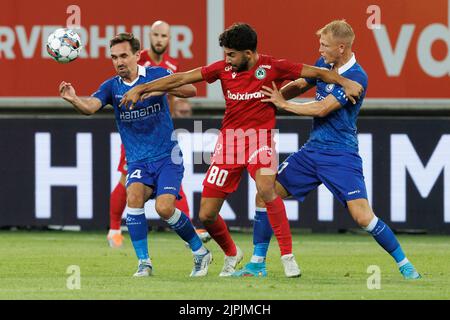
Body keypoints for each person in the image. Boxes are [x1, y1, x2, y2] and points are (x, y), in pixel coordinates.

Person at [120, 23, 363, 277]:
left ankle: (287, 257)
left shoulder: (272, 67)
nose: (227, 59)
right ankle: (232, 253)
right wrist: (141, 87)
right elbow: (181, 78)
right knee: (206, 214)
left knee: (267, 188)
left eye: (231, 54)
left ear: (248, 54)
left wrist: (345, 81)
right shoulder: (223, 69)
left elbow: (318, 73)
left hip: (261, 139)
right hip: (230, 144)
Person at [233, 20, 421, 280]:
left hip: (341, 155)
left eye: (325, 45)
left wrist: (283, 106)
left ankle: (405, 264)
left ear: (341, 48)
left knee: (363, 216)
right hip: (312, 152)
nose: (320, 49)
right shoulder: (324, 65)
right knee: (265, 193)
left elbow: (321, 108)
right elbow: (300, 84)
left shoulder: (357, 77)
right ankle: (257, 264)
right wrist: (269, 99)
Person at [60, 32, 212, 277]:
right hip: (138, 160)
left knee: (164, 208)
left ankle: (200, 252)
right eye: (113, 57)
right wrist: (73, 99)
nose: (119, 62)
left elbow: (191, 90)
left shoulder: (157, 74)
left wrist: (155, 90)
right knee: (133, 197)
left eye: (123, 56)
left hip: (166, 156)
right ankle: (144, 263)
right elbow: (90, 108)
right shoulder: (111, 86)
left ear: (137, 55)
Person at [107, 21, 210, 248]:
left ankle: (189, 226)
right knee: (127, 180)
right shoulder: (134, 60)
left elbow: (181, 91)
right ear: (149, 38)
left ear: (169, 39)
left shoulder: (170, 65)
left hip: (161, 131)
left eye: (164, 36)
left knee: (171, 179)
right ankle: (114, 228)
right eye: (156, 35)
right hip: (136, 133)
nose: (160, 39)